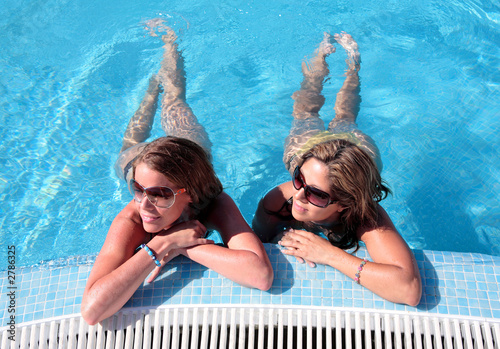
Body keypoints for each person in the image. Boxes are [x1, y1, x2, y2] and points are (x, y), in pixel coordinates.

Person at [82, 23, 273, 325]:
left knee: (174, 102)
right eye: (137, 189)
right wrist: (161, 245)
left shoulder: (214, 202)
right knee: (131, 144)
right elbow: (93, 311)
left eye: (159, 195)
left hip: (190, 150)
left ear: (191, 195)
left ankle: (171, 44)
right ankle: (149, 93)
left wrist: (180, 246)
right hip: (137, 160)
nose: (143, 204)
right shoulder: (133, 217)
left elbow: (260, 275)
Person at [252, 32, 421, 306]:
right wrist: (283, 237)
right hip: (311, 148)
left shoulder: (365, 216)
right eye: (298, 180)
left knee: (345, 116)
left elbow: (408, 290)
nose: (298, 196)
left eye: (317, 195)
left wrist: (329, 254)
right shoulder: (278, 202)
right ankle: (319, 59)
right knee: (305, 112)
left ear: (345, 203)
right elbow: (261, 243)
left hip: (356, 149)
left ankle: (353, 66)